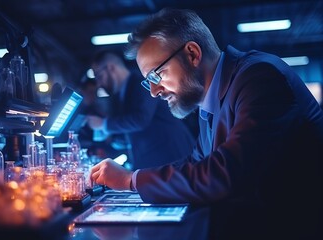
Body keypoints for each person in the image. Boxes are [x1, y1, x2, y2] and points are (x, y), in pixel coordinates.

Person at [89, 8, 323, 239]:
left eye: (156, 75)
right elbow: (197, 162)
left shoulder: (259, 77)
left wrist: (131, 180)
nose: (153, 91)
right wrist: (134, 177)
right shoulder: (209, 101)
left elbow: (228, 172)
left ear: (192, 54)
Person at [86, 49, 195, 169]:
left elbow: (141, 119)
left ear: (110, 68)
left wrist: (103, 124)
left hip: (172, 155)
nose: (99, 84)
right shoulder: (123, 92)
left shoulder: (141, 83)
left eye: (99, 76)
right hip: (157, 159)